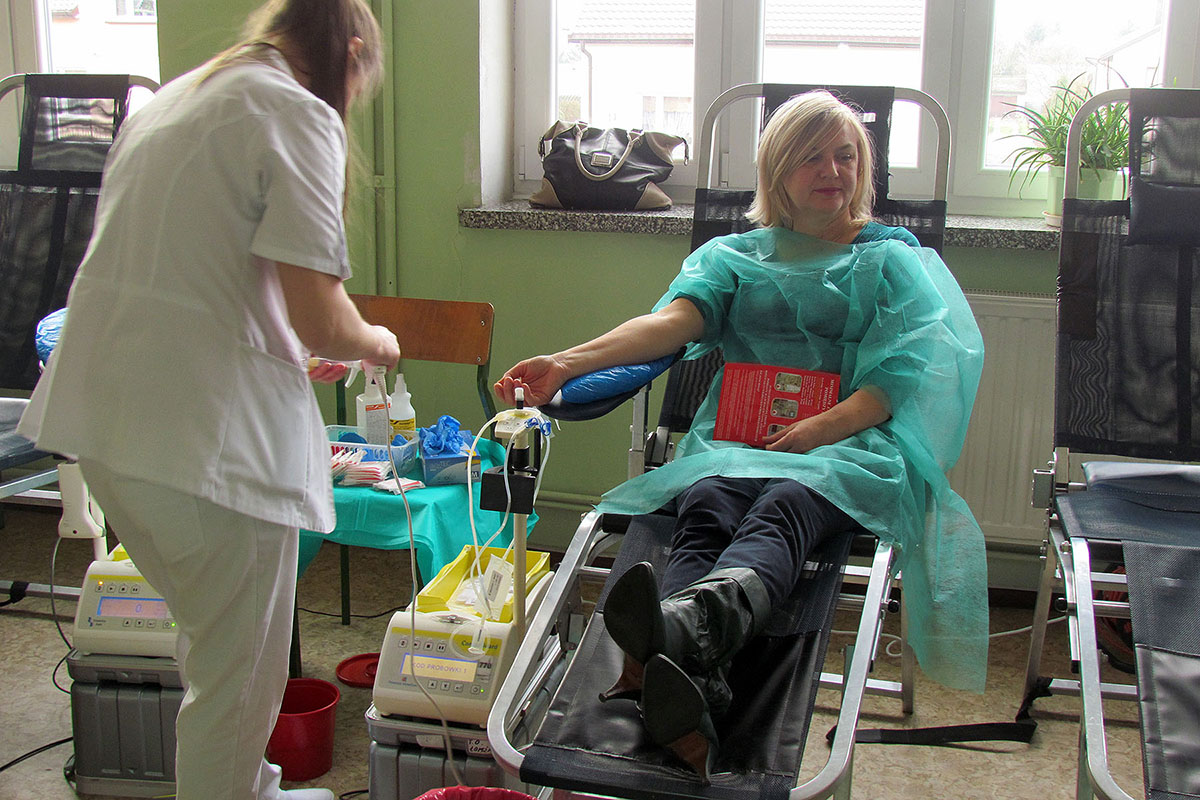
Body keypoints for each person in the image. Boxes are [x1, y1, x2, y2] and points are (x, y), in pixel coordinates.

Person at [494, 90, 987, 781]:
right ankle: (690, 663)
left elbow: (901, 377)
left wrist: (819, 429)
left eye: (846, 156)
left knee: (784, 504)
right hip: (738, 442)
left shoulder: (890, 259)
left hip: (848, 445)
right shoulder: (733, 256)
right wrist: (567, 362)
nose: (833, 171)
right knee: (707, 505)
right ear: (778, 170)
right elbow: (670, 324)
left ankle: (675, 644)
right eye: (812, 157)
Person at [17, 2, 399, 798]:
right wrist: (375, 342)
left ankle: (254, 789)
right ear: (351, 51)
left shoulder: (176, 100)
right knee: (236, 686)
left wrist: (288, 347)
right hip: (203, 453)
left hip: (110, 429)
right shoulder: (295, 112)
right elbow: (323, 315)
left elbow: (195, 273)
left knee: (215, 650)